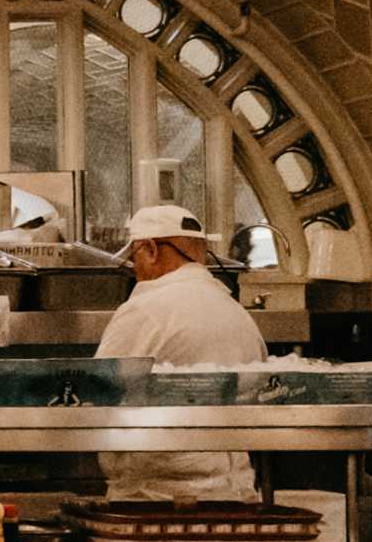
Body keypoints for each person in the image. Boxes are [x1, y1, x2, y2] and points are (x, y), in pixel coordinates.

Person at [95, 201, 269, 498]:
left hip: (157, 498)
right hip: (234, 494)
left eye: (134, 257)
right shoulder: (238, 314)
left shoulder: (144, 310)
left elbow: (96, 391)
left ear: (150, 249)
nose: (134, 269)